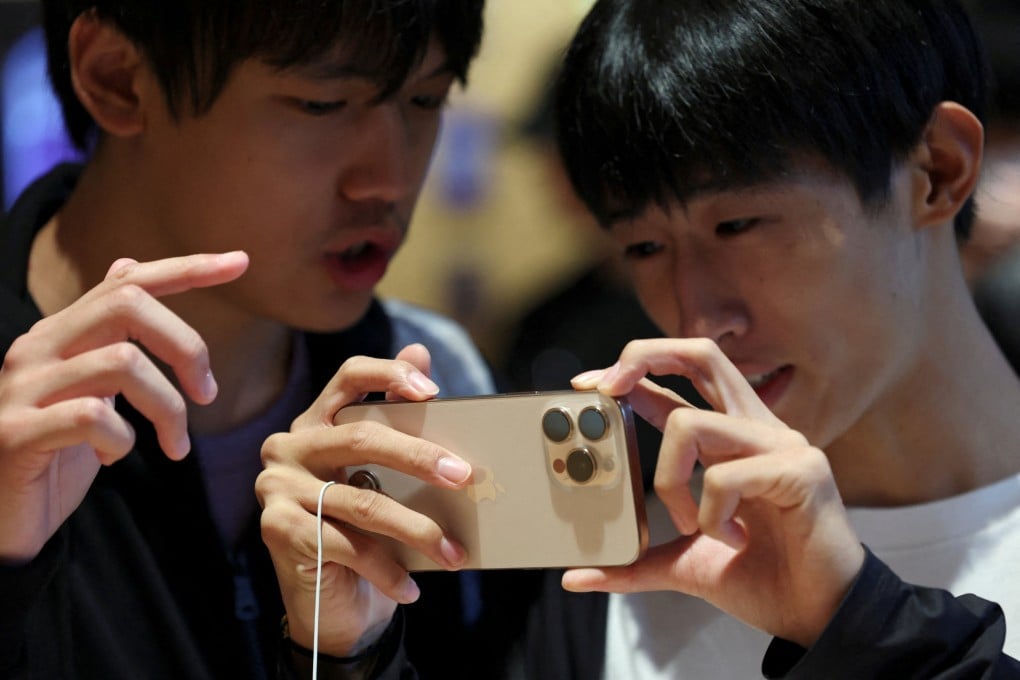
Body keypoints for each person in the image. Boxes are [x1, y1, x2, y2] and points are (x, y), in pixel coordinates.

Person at [269, 0, 1020, 677]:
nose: (697, 317)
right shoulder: (620, 566)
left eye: (738, 225)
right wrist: (351, 654)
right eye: (644, 250)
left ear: (937, 170)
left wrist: (859, 628)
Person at [0, 1, 494, 678]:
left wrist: (356, 658)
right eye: (321, 104)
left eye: (425, 98)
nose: (388, 179)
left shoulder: (435, 380)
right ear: (117, 77)